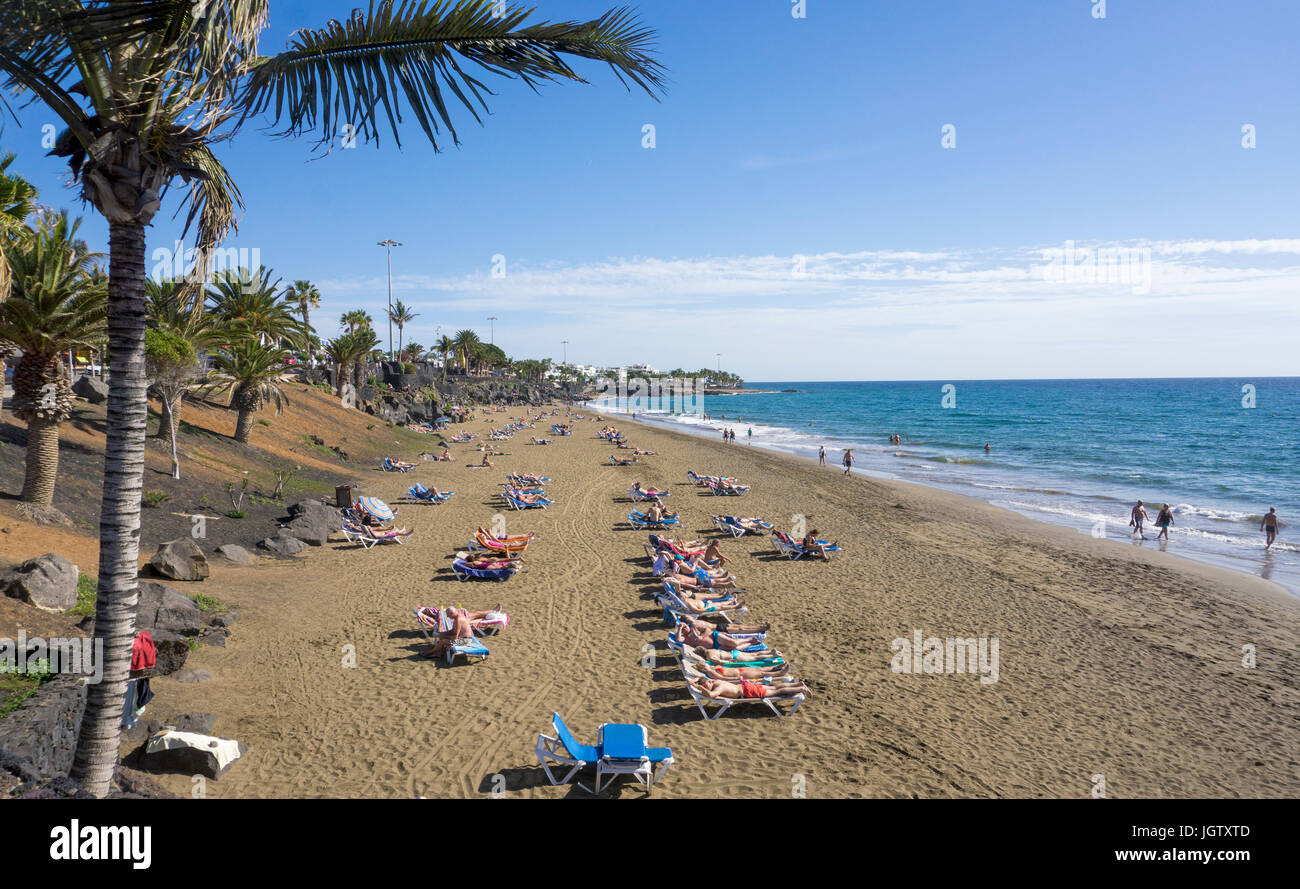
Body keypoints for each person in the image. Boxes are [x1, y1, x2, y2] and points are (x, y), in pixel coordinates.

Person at [688, 677, 812, 700]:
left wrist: (699, 687)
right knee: (775, 687)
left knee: (777, 691)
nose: (707, 688)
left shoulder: (718, 687)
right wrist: (695, 682)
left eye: (706, 686)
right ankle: (798, 684)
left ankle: (801, 689)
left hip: (747, 691)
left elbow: (711, 695)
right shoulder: (716, 681)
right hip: (747, 686)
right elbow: (699, 677)